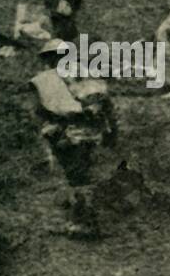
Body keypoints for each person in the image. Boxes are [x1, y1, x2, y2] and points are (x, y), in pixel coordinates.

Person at [27, 38, 118, 238]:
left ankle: (84, 222)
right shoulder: (88, 74)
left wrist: (49, 130)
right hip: (90, 132)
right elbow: (107, 105)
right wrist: (111, 131)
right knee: (81, 173)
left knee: (77, 176)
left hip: (66, 132)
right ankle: (79, 217)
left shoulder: (44, 80)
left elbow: (38, 111)